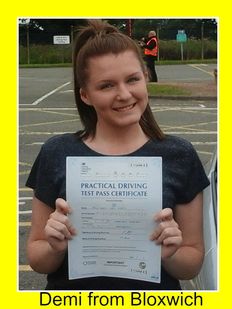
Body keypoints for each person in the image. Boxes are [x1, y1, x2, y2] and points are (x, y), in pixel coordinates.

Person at [26, 20, 209, 290]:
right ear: (85, 95)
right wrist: (54, 247)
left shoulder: (179, 155)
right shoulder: (57, 152)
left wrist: (169, 251)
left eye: (132, 79)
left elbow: (191, 262)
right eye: (106, 86)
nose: (124, 94)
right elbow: (38, 259)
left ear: (146, 77)